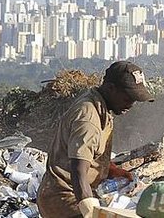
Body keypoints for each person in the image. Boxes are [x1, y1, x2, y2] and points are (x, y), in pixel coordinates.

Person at [37, 61, 154, 218]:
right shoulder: (88, 118)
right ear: (111, 88)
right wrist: (91, 210)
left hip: (74, 193)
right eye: (128, 98)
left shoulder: (101, 108)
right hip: (64, 198)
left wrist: (114, 171)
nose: (131, 104)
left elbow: (90, 155)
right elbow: (78, 170)